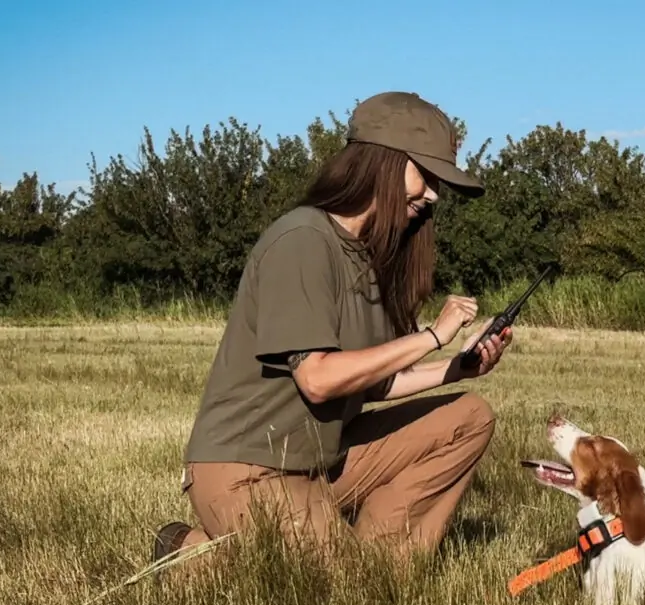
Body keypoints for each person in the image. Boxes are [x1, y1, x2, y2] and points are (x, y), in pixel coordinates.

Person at [151, 91, 510, 566]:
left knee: (469, 417)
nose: (433, 195)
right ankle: (188, 554)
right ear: (382, 161)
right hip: (249, 469)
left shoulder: (374, 254)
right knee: (323, 595)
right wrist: (431, 336)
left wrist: (458, 369)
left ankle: (385, 566)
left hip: (323, 461)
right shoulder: (302, 239)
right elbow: (318, 380)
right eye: (425, 175)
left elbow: (373, 382)